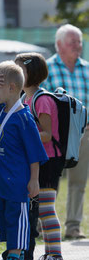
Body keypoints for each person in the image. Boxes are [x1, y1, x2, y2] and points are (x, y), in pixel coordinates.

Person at [0, 61, 48, 260]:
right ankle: (11, 258)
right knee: (7, 220)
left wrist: (34, 180)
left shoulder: (24, 117)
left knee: (19, 220)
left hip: (18, 181)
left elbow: (35, 153)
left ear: (11, 87)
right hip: (3, 179)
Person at [15, 52, 67, 260]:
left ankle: (56, 257)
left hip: (49, 161)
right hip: (39, 159)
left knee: (46, 210)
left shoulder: (41, 99)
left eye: (18, 70)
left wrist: (25, 133)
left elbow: (47, 134)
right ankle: (49, 256)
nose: (14, 75)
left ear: (29, 73)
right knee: (40, 210)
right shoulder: (26, 99)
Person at [41, 24, 89, 240]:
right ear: (59, 45)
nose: (77, 46)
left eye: (79, 42)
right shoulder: (47, 69)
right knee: (51, 179)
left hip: (83, 133)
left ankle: (73, 226)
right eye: (72, 42)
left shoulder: (87, 69)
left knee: (78, 182)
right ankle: (45, 226)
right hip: (56, 135)